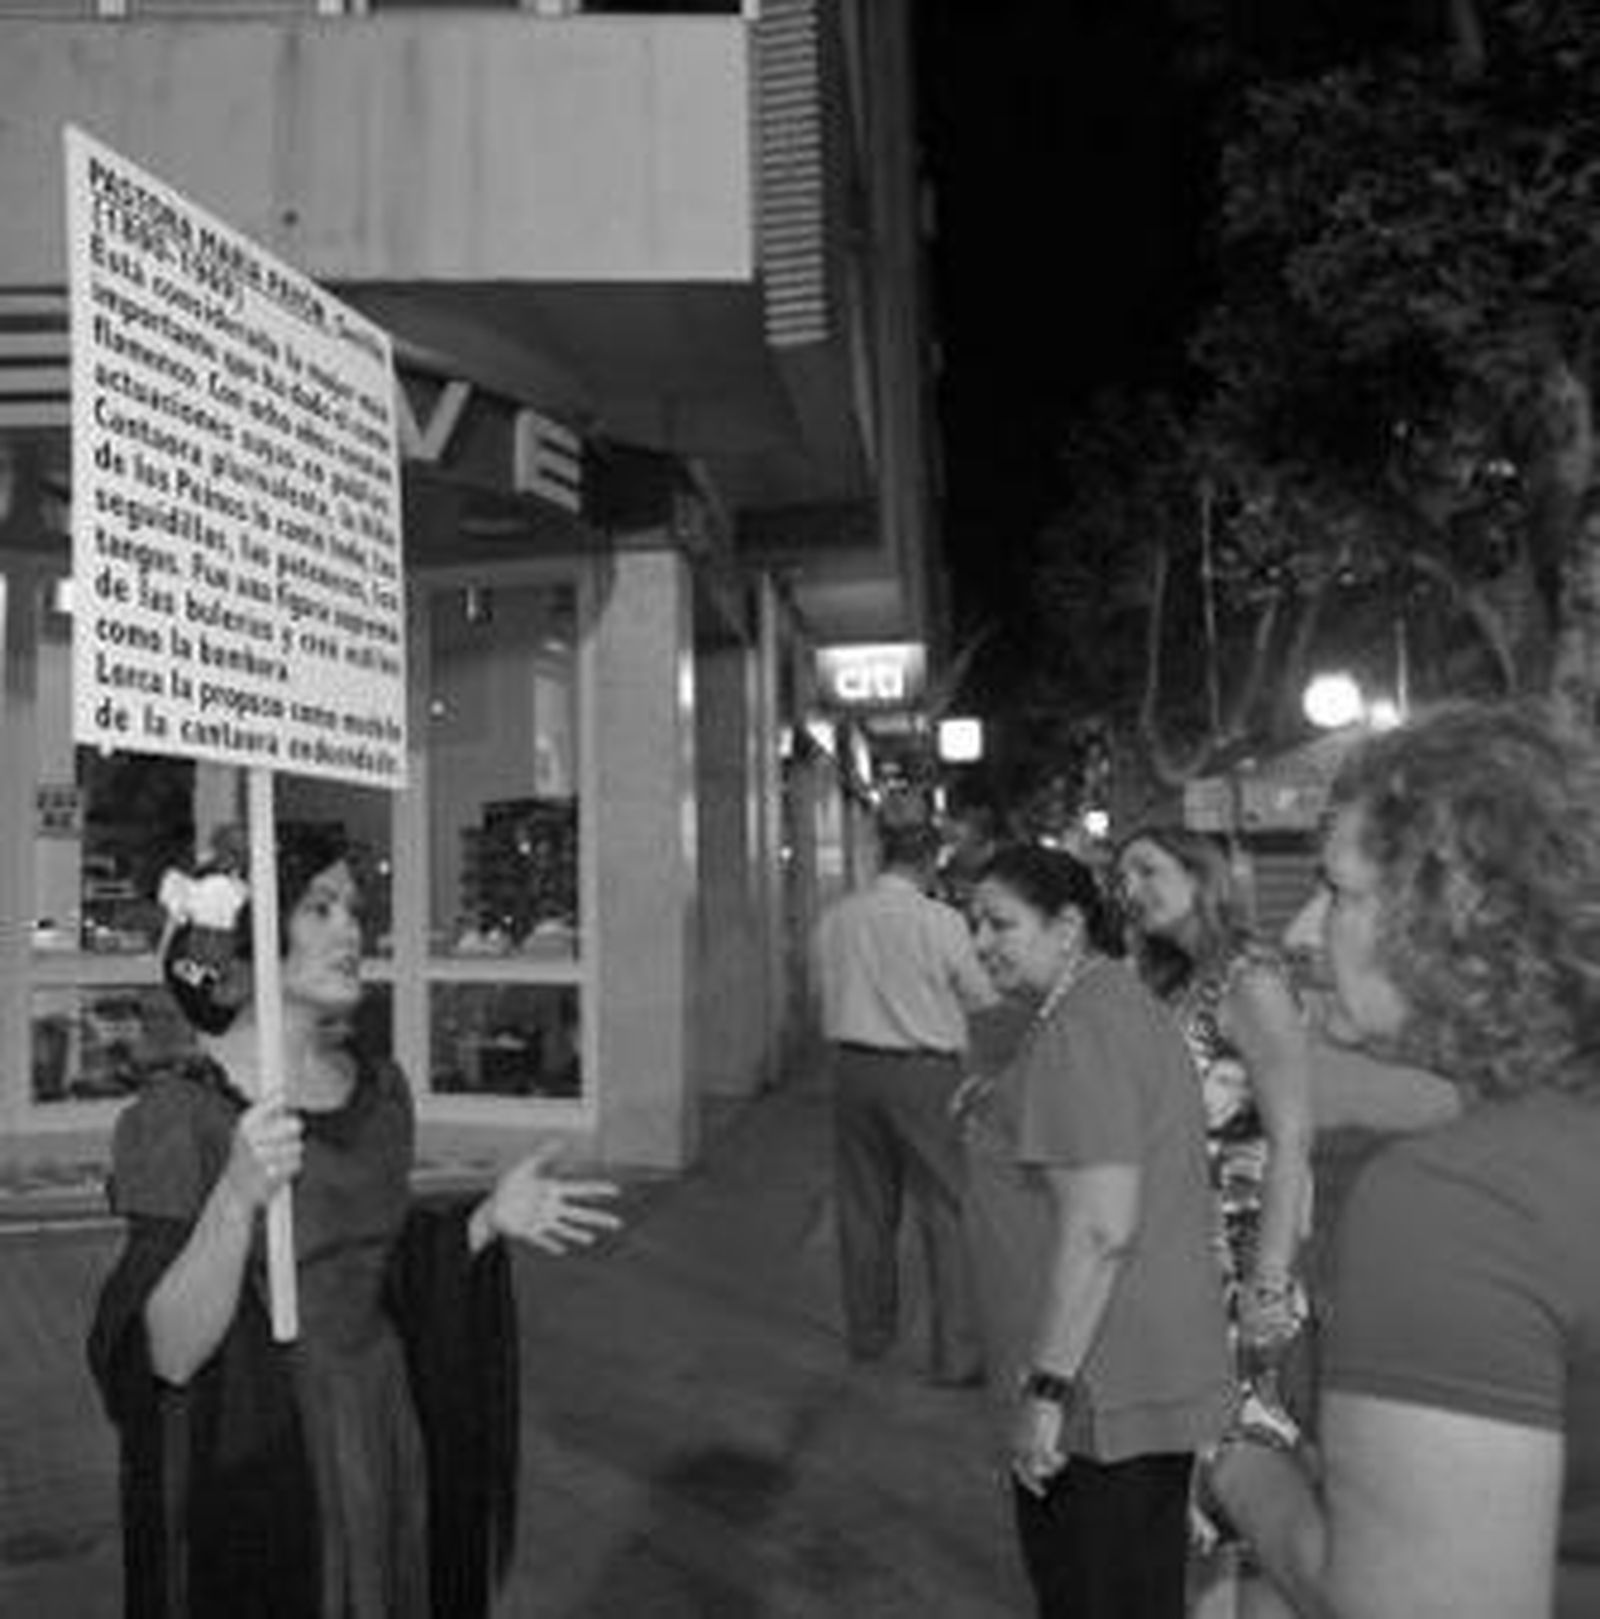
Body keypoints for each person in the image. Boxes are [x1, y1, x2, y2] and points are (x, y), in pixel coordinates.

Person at [88, 826, 623, 1619]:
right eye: (319, 907)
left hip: (382, 1418)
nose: (351, 929)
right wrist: (236, 1195)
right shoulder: (180, 1118)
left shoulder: (379, 1092)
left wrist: (482, 1223)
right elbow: (165, 1352)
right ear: (252, 938)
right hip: (268, 1452)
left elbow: (382, 1267)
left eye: (353, 908)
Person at [1207, 701, 1600, 1618]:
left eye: (1341, 892)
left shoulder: (1462, 1202)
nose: (1305, 932)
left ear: (1461, 912)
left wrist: (1238, 1466)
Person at [959, 843, 1231, 1617]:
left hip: (1102, 1388)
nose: (979, 942)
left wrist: (1047, 1390)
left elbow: (1101, 1227)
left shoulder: (1088, 1025)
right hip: (1110, 1375)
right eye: (974, 923)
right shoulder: (1090, 1010)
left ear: (1068, 925)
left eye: (1000, 923)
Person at [812, 819, 996, 1384]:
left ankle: (869, 1334)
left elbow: (819, 987)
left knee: (863, 1204)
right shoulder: (940, 922)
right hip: (926, 1073)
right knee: (948, 1206)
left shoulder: (837, 918)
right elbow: (979, 994)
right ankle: (957, 1355)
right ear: (928, 862)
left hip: (851, 1068)